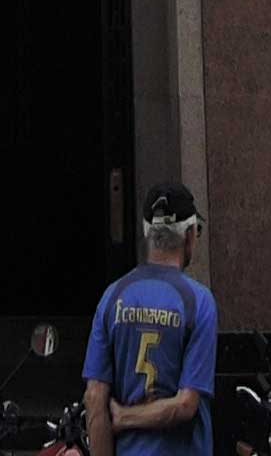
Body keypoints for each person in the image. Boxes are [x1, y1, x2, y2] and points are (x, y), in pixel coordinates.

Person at [85, 185, 220, 456]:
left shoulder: (113, 297)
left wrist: (122, 417)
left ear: (147, 232)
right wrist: (124, 417)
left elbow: (95, 397)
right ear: (190, 235)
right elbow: (186, 405)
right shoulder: (199, 302)